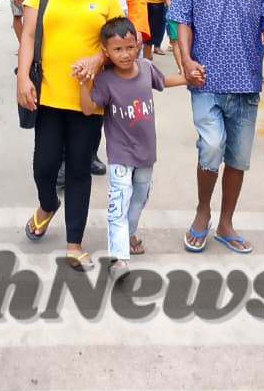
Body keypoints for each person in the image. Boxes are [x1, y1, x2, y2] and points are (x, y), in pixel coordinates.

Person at [168, 0, 264, 256]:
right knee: (212, 146)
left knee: (237, 158)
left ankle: (226, 223)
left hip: (247, 84)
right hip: (206, 82)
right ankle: (203, 213)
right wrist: (186, 62)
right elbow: (181, 20)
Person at [18, 0, 124, 271]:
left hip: (88, 101)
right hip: (46, 94)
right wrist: (22, 77)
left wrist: (99, 59)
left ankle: (74, 243)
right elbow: (29, 35)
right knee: (44, 166)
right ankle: (47, 206)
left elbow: (121, 46)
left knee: (79, 169)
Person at [80, 17, 190, 280]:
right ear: (105, 52)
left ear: (138, 45)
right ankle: (119, 258)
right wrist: (84, 82)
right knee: (119, 202)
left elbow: (164, 81)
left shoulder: (146, 68)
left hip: (146, 154)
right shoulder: (105, 80)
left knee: (139, 199)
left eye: (129, 47)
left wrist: (189, 79)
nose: (125, 54)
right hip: (120, 154)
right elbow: (87, 108)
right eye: (117, 50)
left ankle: (128, 233)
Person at [72, 0, 148, 178]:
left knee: (101, 99)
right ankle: (66, 158)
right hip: (70, 32)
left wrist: (136, 33)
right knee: (67, 97)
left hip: (106, 40)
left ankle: (90, 152)